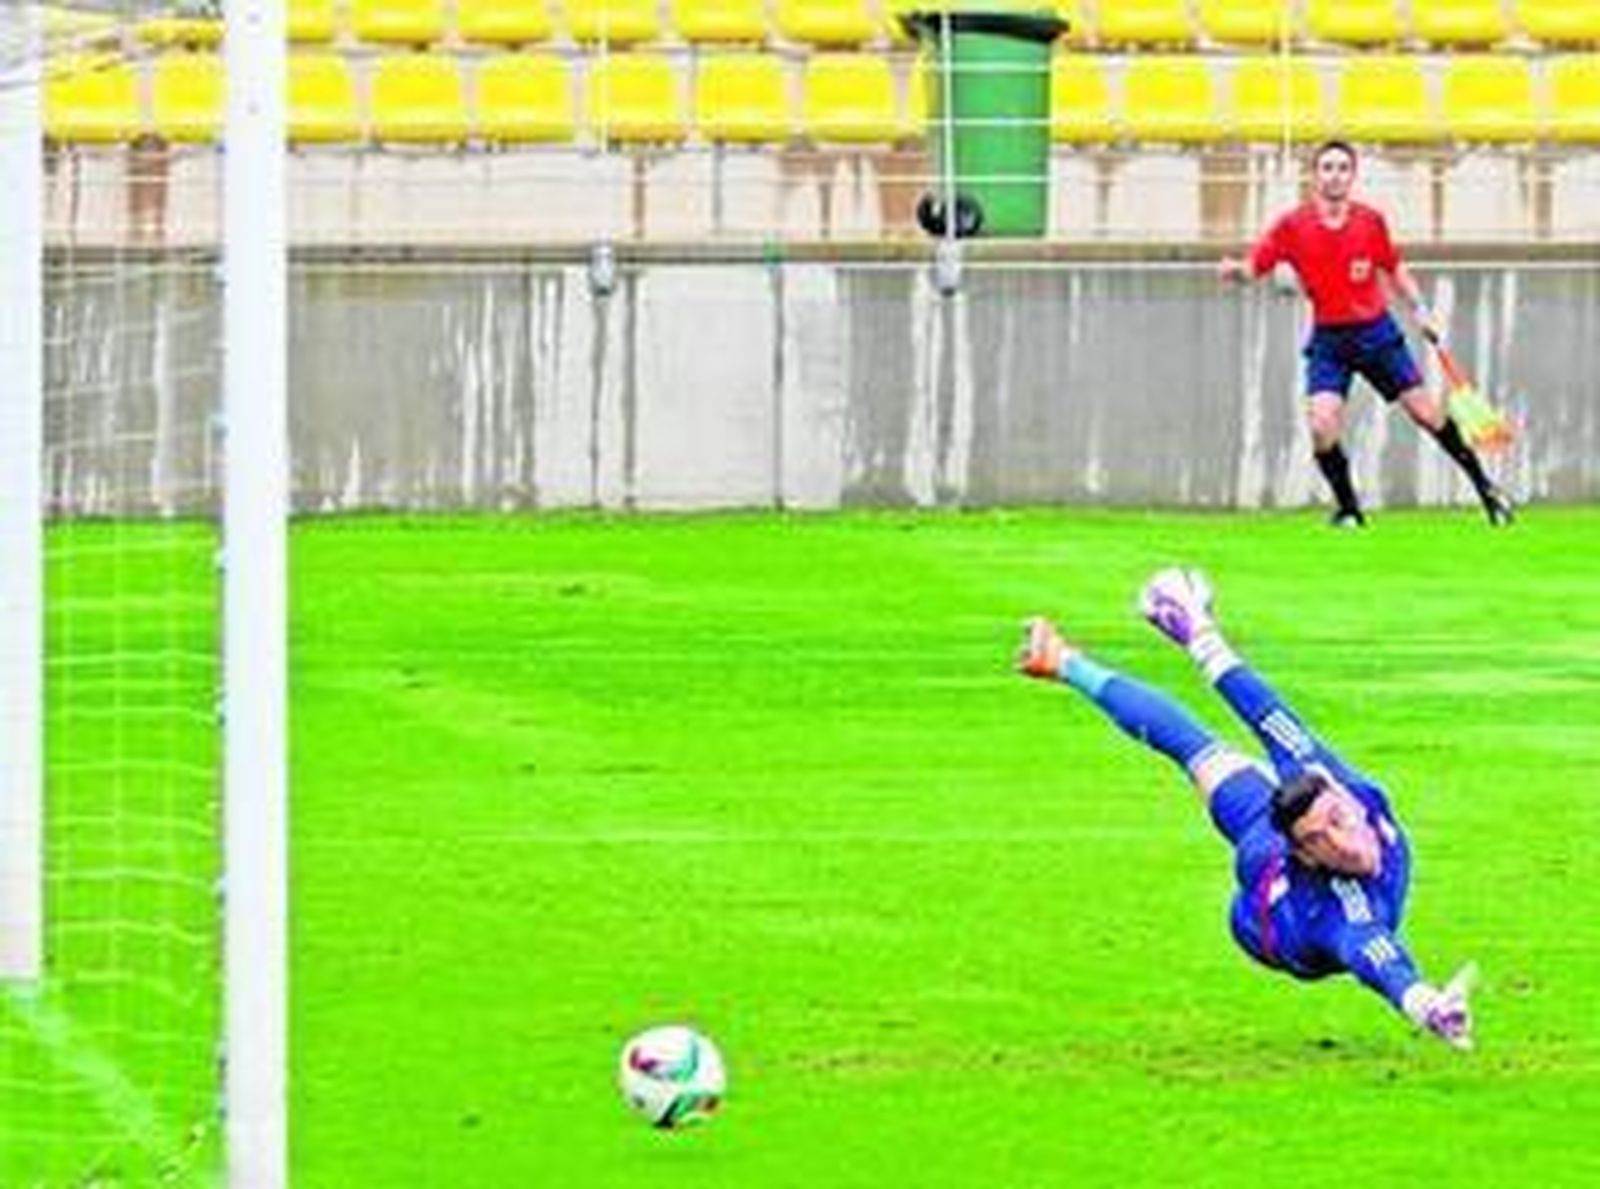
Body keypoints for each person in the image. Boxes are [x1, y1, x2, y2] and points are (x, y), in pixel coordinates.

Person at [1017, 566, 1476, 1049]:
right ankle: (1064, 662)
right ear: (1307, 855)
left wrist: (1200, 633)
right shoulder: (1344, 907)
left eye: (1337, 822)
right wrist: (1430, 1006)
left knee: (1201, 751)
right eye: (1320, 841)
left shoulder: (1330, 779)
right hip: (1267, 921)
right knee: (1203, 755)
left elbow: (1263, 710)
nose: (1341, 842)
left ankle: (1061, 660)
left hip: (1277, 841)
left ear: (1341, 799)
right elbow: (1381, 960)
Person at [1220, 139, 1513, 528]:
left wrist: (1420, 310)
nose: (1335, 174)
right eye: (1327, 167)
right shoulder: (1292, 226)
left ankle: (1488, 492)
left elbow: (1394, 268)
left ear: (1352, 175)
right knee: (1322, 426)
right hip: (1329, 342)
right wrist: (1235, 273)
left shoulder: (1370, 222)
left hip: (1377, 336)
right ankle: (1349, 511)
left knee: (1428, 415)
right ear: (1315, 175)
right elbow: (1254, 267)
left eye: (1343, 167)